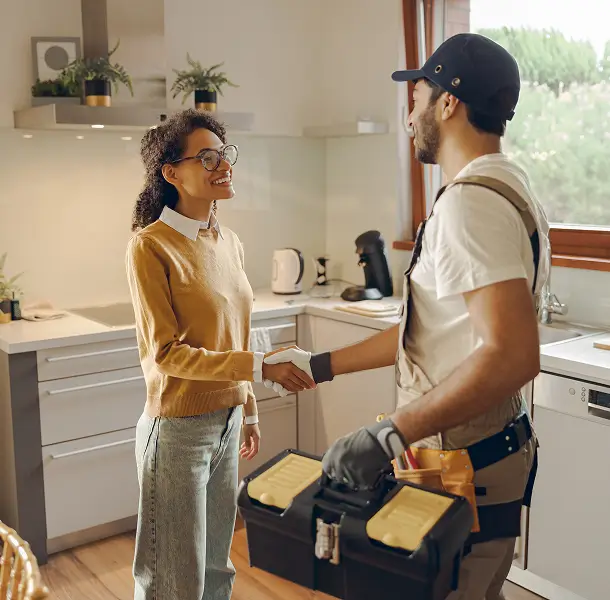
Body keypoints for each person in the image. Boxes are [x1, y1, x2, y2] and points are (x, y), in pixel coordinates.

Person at [265, 33, 550, 599]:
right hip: (484, 452)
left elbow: (513, 354)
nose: (410, 115)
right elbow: (432, 334)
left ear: (449, 102)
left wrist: (390, 434)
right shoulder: (511, 186)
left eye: (417, 97)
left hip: (464, 459)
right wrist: (319, 365)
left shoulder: (469, 204)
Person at [125, 109, 315, 600]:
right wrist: (260, 370)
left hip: (228, 423)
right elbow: (167, 354)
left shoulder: (228, 242)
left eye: (225, 154)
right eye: (206, 157)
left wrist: (247, 409)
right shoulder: (151, 248)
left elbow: (239, 333)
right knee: (174, 579)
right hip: (178, 433)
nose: (223, 165)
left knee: (216, 569)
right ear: (171, 173)